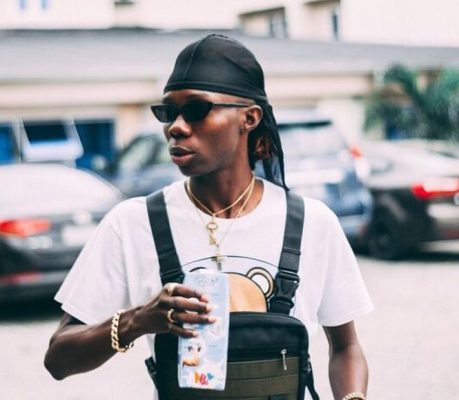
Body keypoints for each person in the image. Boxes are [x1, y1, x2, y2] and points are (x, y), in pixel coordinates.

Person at [44, 34, 373, 400]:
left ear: (249, 118)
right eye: (167, 113)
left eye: (196, 109)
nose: (176, 126)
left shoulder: (312, 222)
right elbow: (58, 359)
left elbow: (346, 348)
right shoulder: (133, 224)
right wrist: (138, 321)